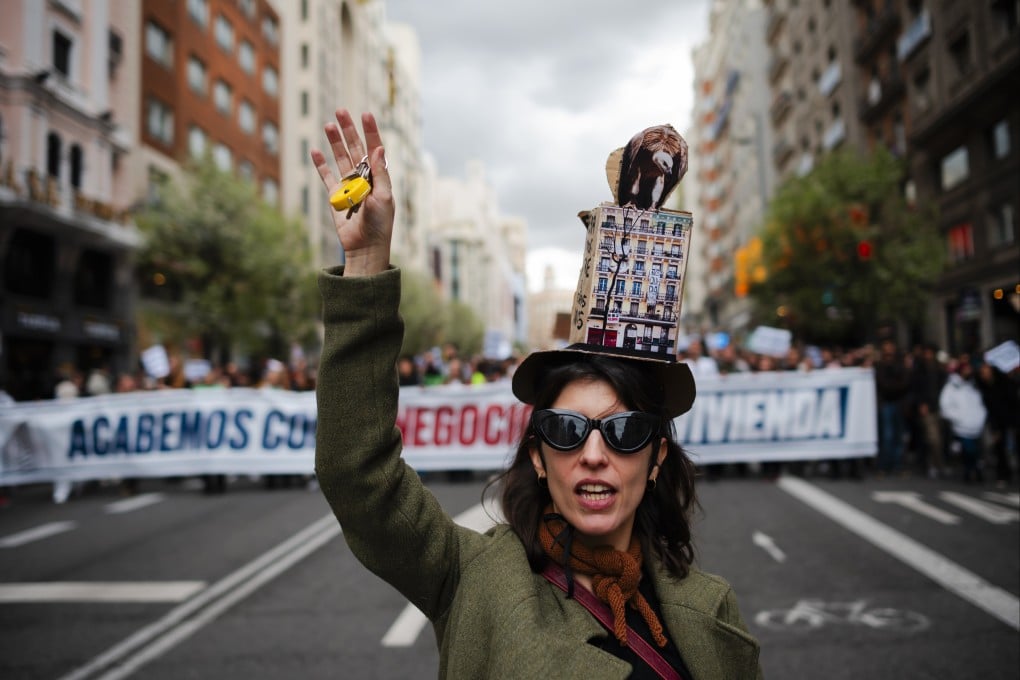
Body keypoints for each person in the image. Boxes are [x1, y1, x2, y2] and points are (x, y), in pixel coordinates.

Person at [311, 109, 761, 679]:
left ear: (656, 461)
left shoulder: (709, 612)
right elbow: (357, 476)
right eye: (568, 430)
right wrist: (366, 262)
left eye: (624, 433)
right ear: (538, 457)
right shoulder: (473, 577)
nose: (594, 454)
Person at [939, 357, 987, 483]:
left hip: (976, 425)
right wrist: (958, 417)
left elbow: (980, 404)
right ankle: (970, 471)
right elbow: (945, 405)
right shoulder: (952, 387)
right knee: (968, 451)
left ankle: (975, 471)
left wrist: (980, 417)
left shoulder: (974, 385)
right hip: (962, 426)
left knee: (976, 451)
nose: (968, 372)